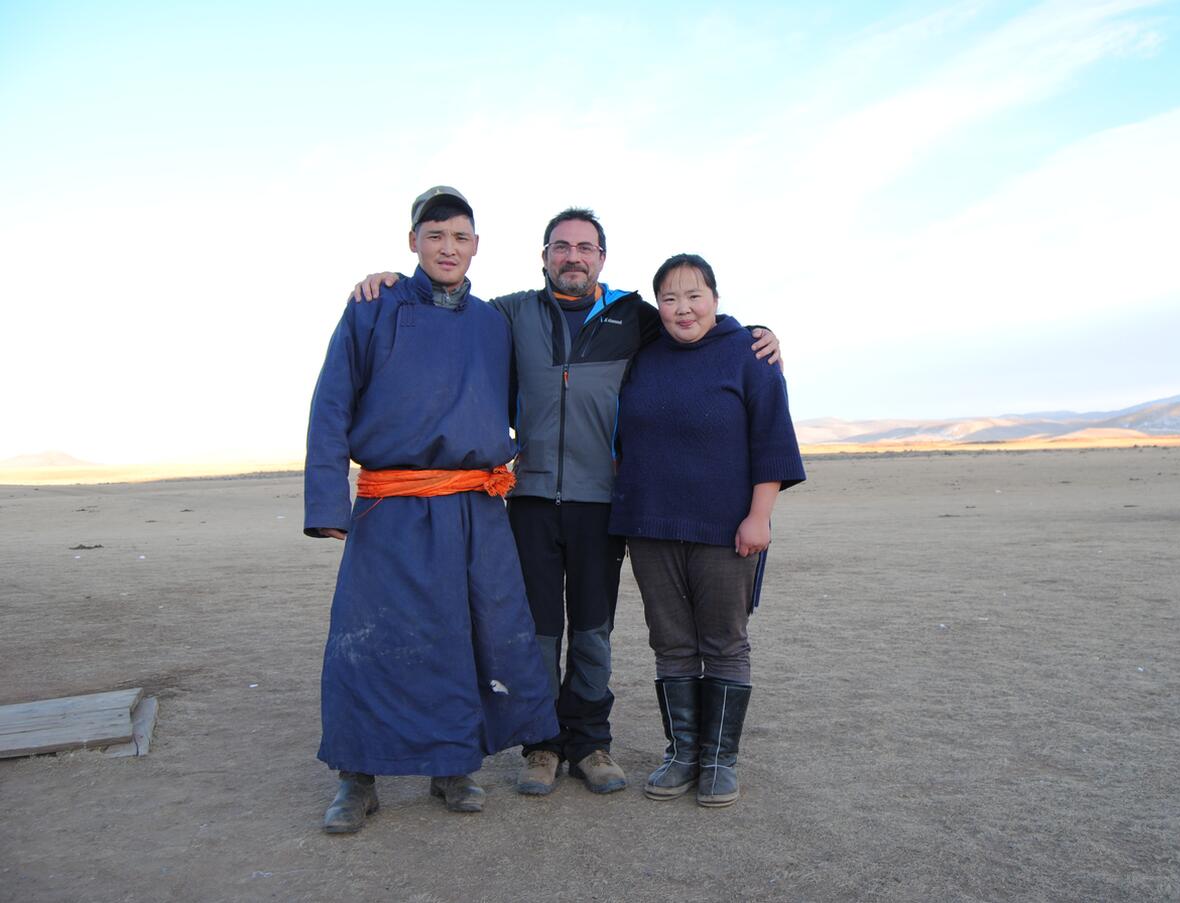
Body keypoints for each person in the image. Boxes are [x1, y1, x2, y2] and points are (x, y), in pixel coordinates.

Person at [350, 209, 781, 797]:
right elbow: (446, 304)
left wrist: (756, 332)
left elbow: (697, 326)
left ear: (602, 257)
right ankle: (542, 745)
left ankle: (591, 742)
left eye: (585, 247)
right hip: (526, 498)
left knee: (593, 630)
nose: (573, 256)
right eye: (561, 246)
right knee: (537, 630)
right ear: (544, 255)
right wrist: (393, 283)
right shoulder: (509, 314)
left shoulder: (637, 317)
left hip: (603, 503)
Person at [304, 186, 559, 834]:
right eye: (435, 234)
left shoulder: (490, 324)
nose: (449, 247)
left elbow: (502, 399)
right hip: (393, 509)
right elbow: (332, 404)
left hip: (474, 507)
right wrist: (327, 501)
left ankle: (453, 767)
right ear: (413, 240)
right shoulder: (373, 306)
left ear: (476, 246)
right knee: (369, 644)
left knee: (467, 639)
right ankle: (355, 779)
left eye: (461, 236)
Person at [608, 253, 805, 808]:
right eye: (669, 298)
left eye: (694, 296)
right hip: (650, 524)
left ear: (716, 299)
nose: (682, 308)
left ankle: (720, 759)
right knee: (670, 644)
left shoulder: (749, 356)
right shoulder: (641, 357)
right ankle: (682, 753)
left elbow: (772, 441)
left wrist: (759, 515)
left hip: (726, 530)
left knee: (723, 643)